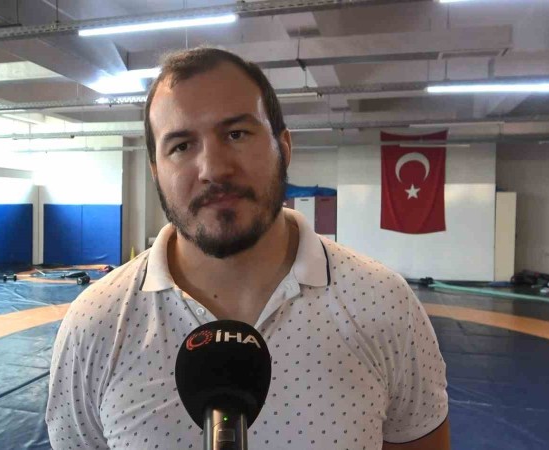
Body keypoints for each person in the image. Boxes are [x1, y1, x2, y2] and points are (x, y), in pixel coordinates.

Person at [46, 48, 450, 449]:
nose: (213, 169)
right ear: (156, 170)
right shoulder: (96, 324)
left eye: (236, 134)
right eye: (181, 146)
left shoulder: (383, 302)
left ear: (283, 147)